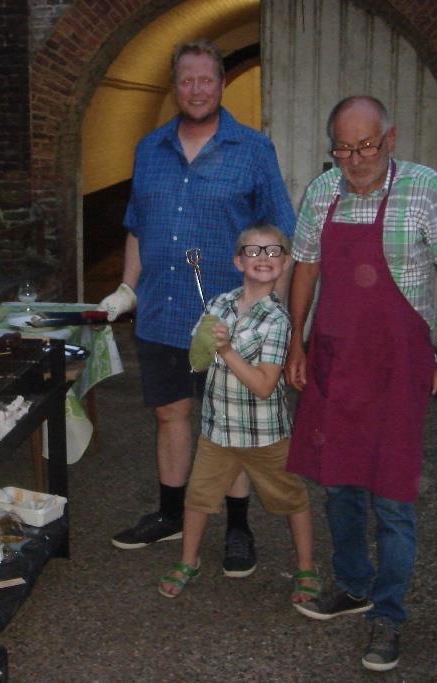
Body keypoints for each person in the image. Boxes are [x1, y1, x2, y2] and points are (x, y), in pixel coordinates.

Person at [284, 96, 437, 672]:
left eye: (365, 146)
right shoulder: (322, 193)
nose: (354, 159)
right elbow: (307, 267)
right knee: (339, 483)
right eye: (342, 147)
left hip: (400, 363)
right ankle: (353, 585)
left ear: (389, 139)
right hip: (337, 358)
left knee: (391, 494)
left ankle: (387, 614)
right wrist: (298, 341)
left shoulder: (424, 187)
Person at [98, 39, 296, 580]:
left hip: (225, 320)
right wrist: (126, 288)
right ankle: (170, 513)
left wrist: (269, 306)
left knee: (227, 425)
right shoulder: (149, 148)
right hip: (161, 310)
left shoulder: (253, 149)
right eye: (187, 80)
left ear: (222, 84)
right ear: (174, 85)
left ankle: (237, 527)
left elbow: (283, 230)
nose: (196, 89)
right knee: (171, 415)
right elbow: (137, 225)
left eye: (206, 79)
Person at [156, 225, 319, 605]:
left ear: (285, 261)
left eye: (272, 251)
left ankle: (307, 569)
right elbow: (197, 362)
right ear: (238, 261)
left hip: (266, 435)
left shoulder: (278, 320)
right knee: (197, 499)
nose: (263, 258)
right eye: (253, 251)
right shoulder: (218, 304)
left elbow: (264, 385)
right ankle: (188, 561)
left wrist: (227, 350)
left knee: (292, 499)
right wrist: (204, 339)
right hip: (218, 432)